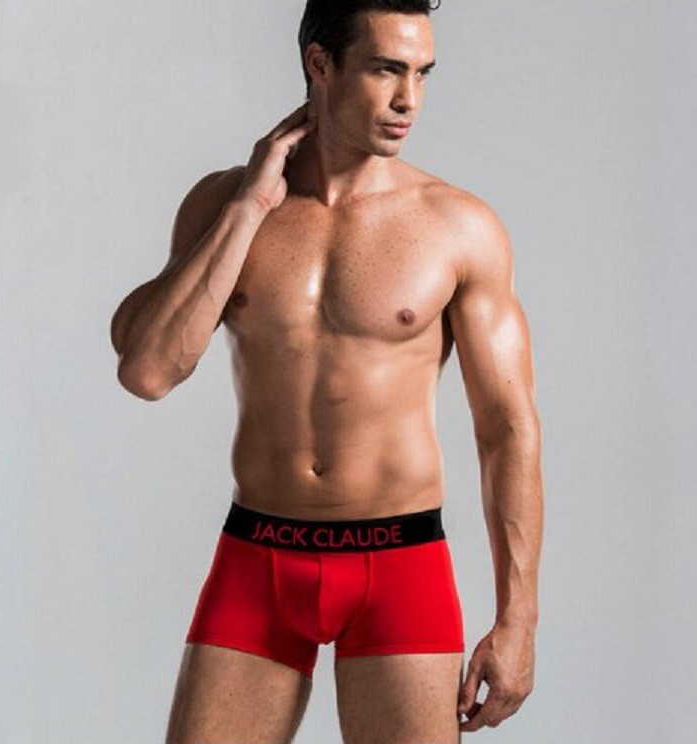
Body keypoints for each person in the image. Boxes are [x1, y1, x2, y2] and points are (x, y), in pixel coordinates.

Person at [110, 0, 544, 741]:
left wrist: (519, 619)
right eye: (386, 69)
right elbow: (147, 371)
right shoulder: (224, 204)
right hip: (257, 557)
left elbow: (506, 428)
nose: (409, 99)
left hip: (400, 564)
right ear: (320, 63)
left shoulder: (458, 227)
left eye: (422, 73)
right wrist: (249, 205)